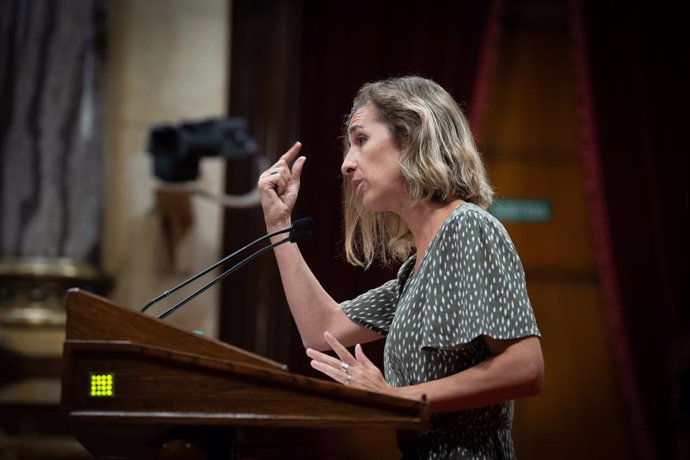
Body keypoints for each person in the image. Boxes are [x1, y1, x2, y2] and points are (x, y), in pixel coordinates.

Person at [257, 76, 543, 459]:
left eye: (360, 140)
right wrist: (278, 227)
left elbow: (525, 367)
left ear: (409, 137)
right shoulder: (415, 271)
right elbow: (322, 330)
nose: (346, 164)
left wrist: (396, 399)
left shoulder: (468, 227)